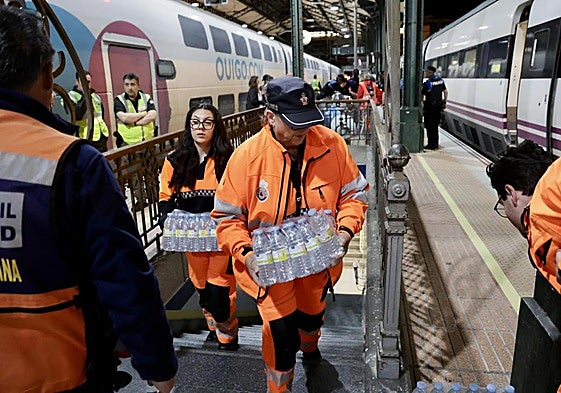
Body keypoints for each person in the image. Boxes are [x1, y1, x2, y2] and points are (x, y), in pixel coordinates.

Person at [0, 6, 177, 392]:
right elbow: (123, 277)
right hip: (58, 374)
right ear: (48, 76)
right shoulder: (73, 164)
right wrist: (158, 366)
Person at [212, 76, 369, 392]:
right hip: (270, 269)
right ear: (269, 116)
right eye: (294, 122)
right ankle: (279, 387)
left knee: (311, 319)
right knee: (281, 335)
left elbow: (354, 196)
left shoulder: (332, 145)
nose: (303, 130)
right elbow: (226, 220)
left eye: (309, 121)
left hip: (318, 264)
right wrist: (247, 253)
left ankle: (311, 345)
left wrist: (345, 231)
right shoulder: (246, 158)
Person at [159, 103, 239, 350]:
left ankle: (228, 334)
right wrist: (166, 221)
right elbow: (165, 196)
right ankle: (215, 326)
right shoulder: (175, 160)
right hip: (192, 237)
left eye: (207, 122)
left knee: (220, 288)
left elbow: (239, 195)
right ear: (188, 127)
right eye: (195, 122)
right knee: (201, 285)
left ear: (216, 127)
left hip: (221, 235)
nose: (200, 128)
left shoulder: (229, 159)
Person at [69, 71, 110, 152]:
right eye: (83, 81)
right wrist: (86, 95)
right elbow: (77, 114)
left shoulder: (95, 96)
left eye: (88, 82)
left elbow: (101, 115)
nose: (86, 84)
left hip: (101, 136)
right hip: (85, 137)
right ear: (77, 82)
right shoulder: (71, 96)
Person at [113, 72, 157, 146]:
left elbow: (152, 115)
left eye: (132, 84)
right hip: (127, 143)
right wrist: (143, 114)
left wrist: (135, 123)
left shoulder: (146, 97)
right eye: (127, 84)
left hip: (148, 141)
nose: (130, 88)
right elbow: (124, 118)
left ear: (138, 86)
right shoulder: (119, 100)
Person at [421, 65, 448, 150]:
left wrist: (422, 103)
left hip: (430, 107)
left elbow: (422, 95)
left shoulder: (428, 83)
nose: (425, 73)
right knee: (435, 126)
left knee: (429, 126)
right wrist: (444, 102)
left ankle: (431, 145)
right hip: (438, 106)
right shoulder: (440, 80)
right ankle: (436, 144)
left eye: (426, 72)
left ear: (430, 72)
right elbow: (446, 92)